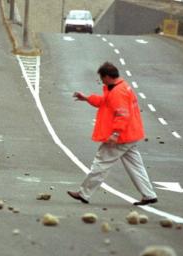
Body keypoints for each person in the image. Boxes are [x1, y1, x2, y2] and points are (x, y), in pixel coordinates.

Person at [67, 62, 158, 206]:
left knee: (101, 163)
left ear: (108, 77)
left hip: (121, 137)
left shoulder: (118, 92)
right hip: (131, 134)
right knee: (135, 166)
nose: (101, 81)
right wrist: (87, 98)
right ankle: (149, 194)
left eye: (102, 78)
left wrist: (115, 133)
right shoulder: (119, 87)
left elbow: (122, 114)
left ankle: (84, 193)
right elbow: (106, 102)